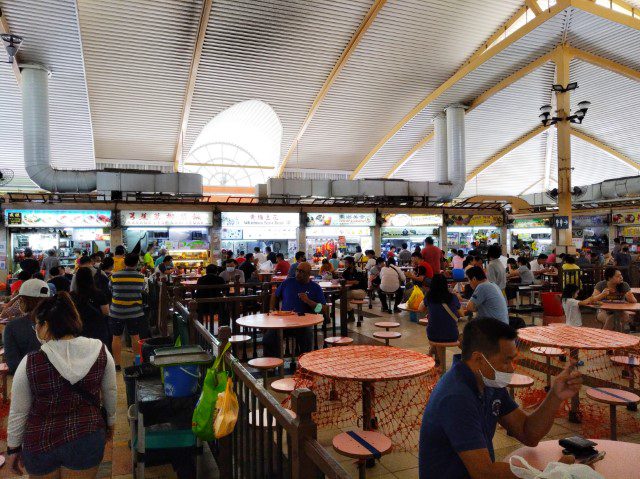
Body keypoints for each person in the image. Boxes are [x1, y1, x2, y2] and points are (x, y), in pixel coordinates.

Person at [418, 318, 582, 479]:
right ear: (478, 359)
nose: (511, 369)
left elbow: (528, 433)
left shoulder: (488, 382)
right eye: (506, 361)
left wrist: (555, 395)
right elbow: (484, 473)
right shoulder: (456, 397)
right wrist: (543, 474)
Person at [6, 293, 117, 477]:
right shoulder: (100, 350)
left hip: (40, 441)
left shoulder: (30, 362)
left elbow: (18, 411)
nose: (36, 330)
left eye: (37, 325)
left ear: (46, 326)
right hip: (87, 435)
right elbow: (110, 392)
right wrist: (111, 422)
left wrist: (13, 448)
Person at [266, 262, 326, 357]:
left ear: (308, 274)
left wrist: (308, 301)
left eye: (302, 272)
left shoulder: (315, 288)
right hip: (284, 322)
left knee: (306, 338)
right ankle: (273, 364)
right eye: (297, 270)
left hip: (303, 323)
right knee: (268, 338)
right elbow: (275, 295)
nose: (298, 273)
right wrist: (271, 310)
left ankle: (304, 365)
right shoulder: (288, 282)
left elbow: (322, 309)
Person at [4, 279, 50, 373]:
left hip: (27, 381)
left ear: (22, 301)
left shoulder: (13, 327)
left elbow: (13, 365)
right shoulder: (62, 322)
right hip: (60, 383)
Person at [110, 253, 146, 369]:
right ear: (136, 263)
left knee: (116, 337)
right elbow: (143, 290)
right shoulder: (141, 277)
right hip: (134, 312)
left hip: (117, 312)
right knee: (135, 336)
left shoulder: (115, 276)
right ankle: (137, 361)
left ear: (125, 263)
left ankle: (117, 364)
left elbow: (110, 288)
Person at [419, 274, 461, 347]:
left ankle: (433, 354)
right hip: (452, 335)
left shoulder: (429, 296)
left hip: (433, 335)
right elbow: (462, 314)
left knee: (436, 330)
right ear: (445, 284)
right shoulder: (453, 297)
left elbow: (420, 309)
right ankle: (435, 355)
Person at [72, 267, 111, 346]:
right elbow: (106, 312)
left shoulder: (72, 296)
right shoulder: (99, 294)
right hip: (97, 329)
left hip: (79, 330)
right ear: (91, 278)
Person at [592, 266, 637, 330]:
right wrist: (602, 295)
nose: (621, 277)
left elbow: (634, 302)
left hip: (621, 312)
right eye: (618, 276)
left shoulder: (624, 285)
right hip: (603, 311)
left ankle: (603, 337)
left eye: (621, 275)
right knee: (613, 319)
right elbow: (592, 300)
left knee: (613, 318)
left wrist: (630, 297)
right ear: (610, 278)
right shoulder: (601, 285)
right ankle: (617, 337)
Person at [342, 256, 367, 322]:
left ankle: (351, 314)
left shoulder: (358, 270)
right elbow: (343, 279)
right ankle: (350, 314)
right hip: (351, 291)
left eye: (346, 263)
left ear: (351, 263)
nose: (345, 264)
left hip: (361, 291)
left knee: (343, 295)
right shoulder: (346, 271)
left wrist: (346, 281)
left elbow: (357, 281)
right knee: (343, 297)